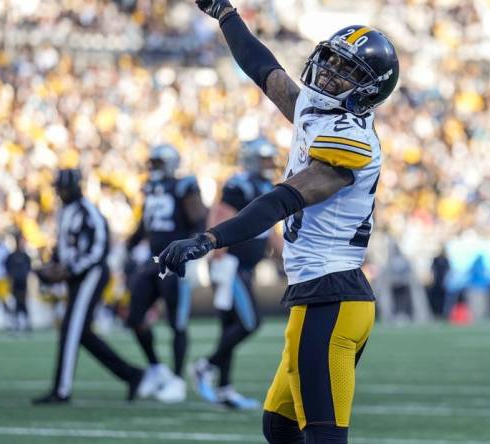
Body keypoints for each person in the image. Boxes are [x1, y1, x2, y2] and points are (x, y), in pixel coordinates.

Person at [160, 1, 399, 441]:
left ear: (369, 90)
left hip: (333, 299)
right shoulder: (318, 111)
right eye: (329, 61)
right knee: (280, 426)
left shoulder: (351, 142)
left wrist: (210, 238)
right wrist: (225, 13)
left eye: (344, 72)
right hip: (319, 295)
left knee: (323, 436)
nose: (327, 74)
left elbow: (281, 201)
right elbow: (263, 69)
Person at [32, 169, 146, 405]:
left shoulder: (88, 211)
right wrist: (52, 265)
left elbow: (98, 249)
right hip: (78, 275)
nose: (60, 192)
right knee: (82, 333)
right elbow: (63, 246)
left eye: (63, 188)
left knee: (70, 330)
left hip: (90, 274)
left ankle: (61, 391)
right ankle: (131, 374)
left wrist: (68, 269)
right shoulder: (65, 211)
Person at [191, 137, 282, 409]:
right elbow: (220, 218)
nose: (269, 164)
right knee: (250, 322)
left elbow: (270, 234)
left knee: (230, 326)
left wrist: (292, 259)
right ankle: (206, 366)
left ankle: (225, 388)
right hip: (230, 265)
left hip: (245, 268)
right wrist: (217, 259)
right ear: (252, 159)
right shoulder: (238, 184)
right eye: (264, 158)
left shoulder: (265, 186)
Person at [125, 144, 207, 403]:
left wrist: (195, 253)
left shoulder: (184, 186)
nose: (153, 168)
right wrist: (127, 245)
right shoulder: (149, 188)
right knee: (134, 317)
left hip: (176, 260)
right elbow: (146, 224)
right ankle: (157, 369)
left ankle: (177, 380)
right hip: (152, 260)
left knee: (177, 323)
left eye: (158, 163)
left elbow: (198, 220)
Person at [6, 232, 32, 332]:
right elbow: (8, 269)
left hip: (23, 283)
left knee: (23, 302)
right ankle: (16, 324)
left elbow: (29, 269)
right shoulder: (11, 256)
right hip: (14, 283)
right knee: (16, 303)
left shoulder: (25, 256)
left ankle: (25, 323)